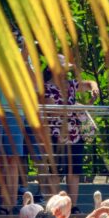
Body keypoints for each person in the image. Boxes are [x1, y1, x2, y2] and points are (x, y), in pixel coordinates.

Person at [43, 62, 99, 204]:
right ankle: (53, 206)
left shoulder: (71, 84)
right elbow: (53, 109)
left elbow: (89, 83)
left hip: (75, 135)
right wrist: (78, 107)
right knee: (55, 172)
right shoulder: (46, 88)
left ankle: (73, 206)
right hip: (55, 135)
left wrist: (94, 89)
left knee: (74, 171)